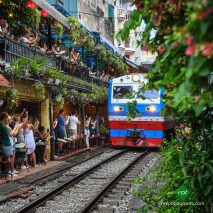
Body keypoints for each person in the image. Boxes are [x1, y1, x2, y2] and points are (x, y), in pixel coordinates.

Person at [0, 112, 16, 176]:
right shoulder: (3, 126)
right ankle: (10, 172)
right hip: (6, 144)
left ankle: (9, 172)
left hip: (3, 144)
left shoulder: (2, 125)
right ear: (4, 118)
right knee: (10, 158)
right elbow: (11, 134)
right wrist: (15, 128)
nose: (8, 119)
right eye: (7, 118)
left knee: (7, 158)